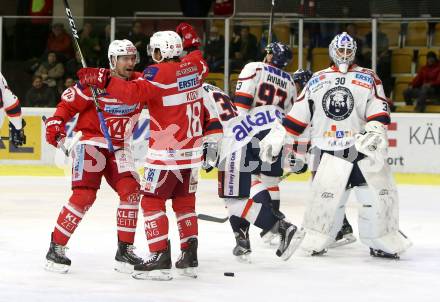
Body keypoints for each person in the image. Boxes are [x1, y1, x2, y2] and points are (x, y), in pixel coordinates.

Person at [77, 24, 221, 280]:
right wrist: (192, 42)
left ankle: (159, 257)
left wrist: (104, 79)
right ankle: (189, 257)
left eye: (154, 50)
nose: (151, 54)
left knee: (152, 201)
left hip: (167, 155)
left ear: (162, 51)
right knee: (184, 204)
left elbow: (132, 93)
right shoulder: (197, 67)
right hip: (192, 154)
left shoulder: (159, 72)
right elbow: (197, 55)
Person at [260, 32, 412, 259]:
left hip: (359, 149)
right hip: (327, 149)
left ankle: (381, 240)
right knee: (326, 200)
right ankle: (317, 238)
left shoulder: (369, 78)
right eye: (340, 50)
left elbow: (379, 109)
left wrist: (375, 129)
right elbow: (298, 114)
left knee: (373, 199)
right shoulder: (317, 79)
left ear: (354, 51)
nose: (344, 54)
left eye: (348, 50)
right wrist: (278, 135)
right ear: (332, 50)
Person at [44, 39, 144, 274]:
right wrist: (57, 134)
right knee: (84, 195)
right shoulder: (92, 84)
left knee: (131, 191)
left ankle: (125, 250)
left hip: (120, 148)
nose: (130, 62)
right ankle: (56, 247)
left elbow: (162, 88)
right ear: (112, 60)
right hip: (91, 144)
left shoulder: (140, 83)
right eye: (124, 58)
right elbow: (64, 109)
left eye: (132, 58)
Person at [201, 81, 304, 263]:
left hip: (230, 146)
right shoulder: (211, 88)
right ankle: (242, 239)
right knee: (239, 193)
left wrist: (209, 153)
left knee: (235, 202)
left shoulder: (194, 91)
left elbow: (214, 123)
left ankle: (281, 228)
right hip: (242, 139)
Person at [227, 42, 303, 260]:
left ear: (270, 55)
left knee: (238, 188)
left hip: (252, 132)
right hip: (276, 135)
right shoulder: (290, 81)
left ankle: (252, 233)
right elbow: (289, 114)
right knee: (269, 182)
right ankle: (273, 226)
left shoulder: (254, 68)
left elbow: (240, 107)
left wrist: (234, 135)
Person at [293, 68, 356, 250]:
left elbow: (307, 131)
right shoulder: (315, 100)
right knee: (325, 191)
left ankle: (339, 229)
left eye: (297, 83)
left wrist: (299, 157)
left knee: (324, 191)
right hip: (321, 149)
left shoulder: (312, 101)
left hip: (324, 149)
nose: (295, 87)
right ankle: (341, 228)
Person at [0, 72, 26, 148]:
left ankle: (17, 128)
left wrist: (18, 128)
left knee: (14, 110)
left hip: (5, 95)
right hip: (5, 94)